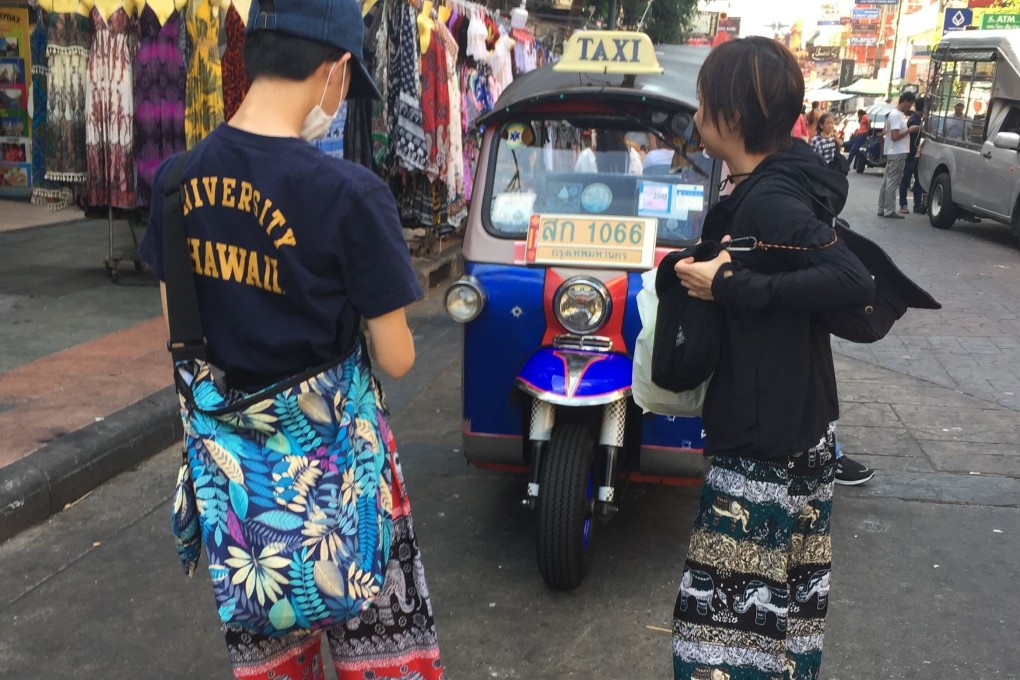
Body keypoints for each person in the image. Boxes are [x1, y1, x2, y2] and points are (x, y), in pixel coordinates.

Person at [137, 0, 445, 677]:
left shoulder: (176, 184)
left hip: (244, 505)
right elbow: (397, 358)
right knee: (384, 658)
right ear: (336, 71)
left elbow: (182, 340)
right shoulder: (351, 194)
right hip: (344, 490)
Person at [671, 36, 875, 680]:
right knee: (780, 623)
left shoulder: (769, 198)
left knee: (725, 641)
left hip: (766, 446)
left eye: (703, 103)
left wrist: (729, 284)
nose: (696, 116)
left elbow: (852, 279)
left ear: (732, 117)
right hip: (792, 425)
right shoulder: (770, 185)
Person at [877, 91, 919, 219]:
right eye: (909, 104)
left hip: (894, 151)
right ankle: (889, 210)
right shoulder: (896, 115)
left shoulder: (895, 114)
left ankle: (882, 208)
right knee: (892, 182)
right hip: (897, 152)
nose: (909, 107)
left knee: (887, 181)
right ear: (905, 101)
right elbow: (895, 136)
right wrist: (909, 130)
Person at [899, 96, 926, 214]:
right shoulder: (914, 120)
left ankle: (917, 204)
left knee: (918, 180)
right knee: (906, 178)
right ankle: (903, 204)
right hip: (910, 154)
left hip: (916, 154)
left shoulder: (919, 119)